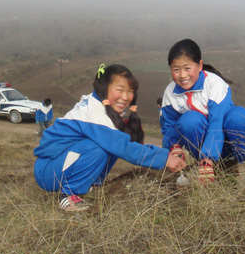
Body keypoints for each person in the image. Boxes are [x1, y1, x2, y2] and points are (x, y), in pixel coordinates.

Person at [33, 64, 187, 212]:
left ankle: (93, 184)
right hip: (48, 171)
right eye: (120, 90)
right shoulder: (95, 114)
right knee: (101, 146)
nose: (125, 97)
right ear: (104, 88)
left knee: (112, 141)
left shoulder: (98, 105)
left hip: (58, 164)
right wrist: (164, 158)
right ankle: (68, 195)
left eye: (130, 91)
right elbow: (124, 147)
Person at [160, 39, 245, 183]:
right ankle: (202, 165)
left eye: (187, 68)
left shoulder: (215, 84)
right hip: (202, 147)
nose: (182, 75)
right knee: (189, 120)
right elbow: (168, 125)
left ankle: (243, 163)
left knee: (238, 117)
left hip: (228, 144)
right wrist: (174, 146)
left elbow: (216, 125)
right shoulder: (170, 92)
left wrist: (207, 158)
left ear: (199, 65)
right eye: (176, 69)